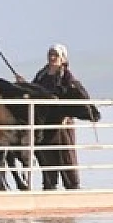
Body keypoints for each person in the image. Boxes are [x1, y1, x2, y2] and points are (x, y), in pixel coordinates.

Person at [23, 43, 87, 190]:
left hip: (61, 125)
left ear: (63, 58)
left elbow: (78, 96)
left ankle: (72, 186)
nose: (52, 57)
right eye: (50, 54)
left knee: (66, 155)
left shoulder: (67, 77)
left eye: (55, 55)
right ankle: (49, 185)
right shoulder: (41, 75)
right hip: (44, 123)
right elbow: (35, 90)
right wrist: (24, 84)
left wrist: (67, 114)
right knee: (46, 156)